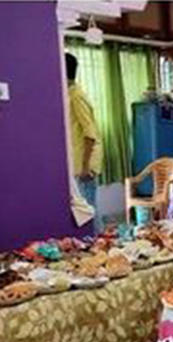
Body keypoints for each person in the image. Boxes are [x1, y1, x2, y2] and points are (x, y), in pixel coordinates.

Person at [65, 52, 103, 233]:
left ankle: (98, 244)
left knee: (88, 212)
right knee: (85, 211)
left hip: (84, 164)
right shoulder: (70, 94)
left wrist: (86, 166)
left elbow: (90, 134)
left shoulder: (76, 96)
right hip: (78, 161)